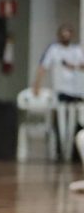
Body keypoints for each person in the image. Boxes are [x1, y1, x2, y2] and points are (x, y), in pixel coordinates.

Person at [32, 24, 84, 161]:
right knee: (61, 122)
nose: (66, 36)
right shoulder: (53, 50)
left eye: (68, 33)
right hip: (61, 91)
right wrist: (36, 84)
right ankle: (61, 151)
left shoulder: (76, 50)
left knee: (74, 124)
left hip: (76, 92)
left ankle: (72, 153)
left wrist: (74, 66)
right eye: (63, 33)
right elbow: (43, 67)